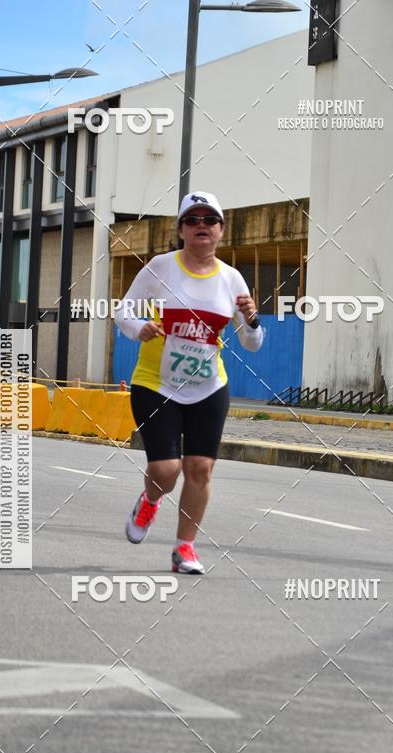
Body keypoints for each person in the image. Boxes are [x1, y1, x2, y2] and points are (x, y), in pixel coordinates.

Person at [115, 191, 264, 575]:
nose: (202, 226)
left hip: (208, 388)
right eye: (193, 220)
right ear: (180, 229)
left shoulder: (231, 278)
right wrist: (139, 327)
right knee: (166, 470)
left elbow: (251, 344)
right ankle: (150, 501)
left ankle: (185, 548)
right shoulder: (161, 268)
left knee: (199, 468)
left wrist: (251, 320)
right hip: (156, 384)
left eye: (209, 220)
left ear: (221, 230)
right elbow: (123, 311)